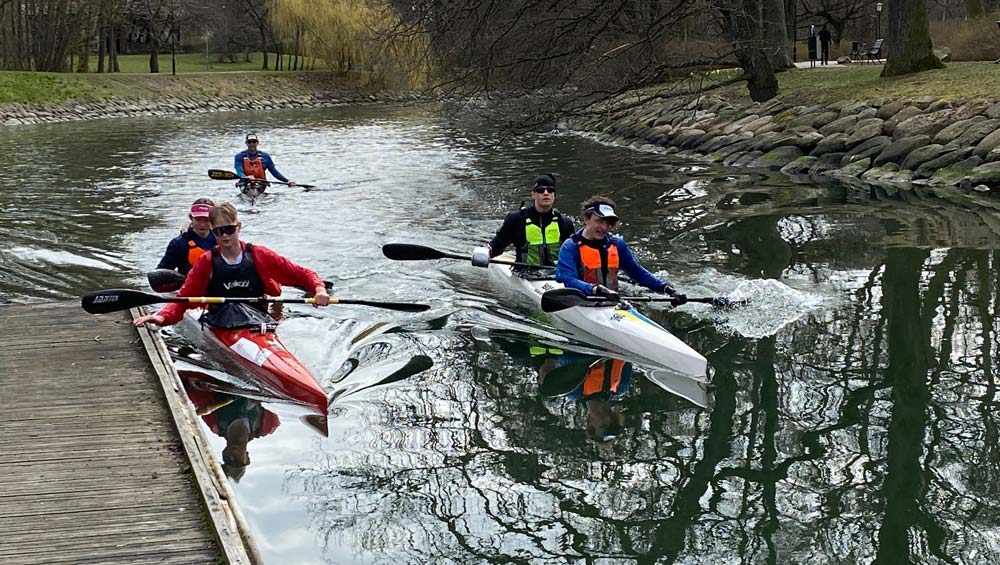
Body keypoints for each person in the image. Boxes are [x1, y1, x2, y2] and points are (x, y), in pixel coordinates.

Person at [133, 202, 329, 327]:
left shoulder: (260, 254)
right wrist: (162, 317)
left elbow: (300, 273)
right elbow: (184, 298)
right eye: (219, 231)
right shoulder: (206, 262)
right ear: (213, 232)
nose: (225, 235)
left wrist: (319, 290)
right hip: (221, 321)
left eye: (229, 229)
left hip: (258, 318)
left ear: (239, 227)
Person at [555, 195, 687, 303]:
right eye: (599, 221)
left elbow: (637, 273)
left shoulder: (617, 244)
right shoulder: (570, 247)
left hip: (613, 300)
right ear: (586, 218)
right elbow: (568, 279)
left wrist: (667, 289)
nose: (604, 227)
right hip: (583, 300)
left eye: (608, 223)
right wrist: (597, 289)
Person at [486, 174, 575, 268]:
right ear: (533, 195)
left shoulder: (565, 223)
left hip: (556, 275)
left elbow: (574, 254)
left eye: (550, 190)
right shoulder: (516, 220)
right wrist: (487, 251)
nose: (546, 193)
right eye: (540, 190)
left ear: (554, 195)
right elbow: (498, 244)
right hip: (525, 274)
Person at [156, 198, 217, 275]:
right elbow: (161, 273)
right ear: (191, 218)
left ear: (213, 219)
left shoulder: (221, 239)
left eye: (206, 220)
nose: (202, 224)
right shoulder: (178, 244)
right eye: (198, 220)